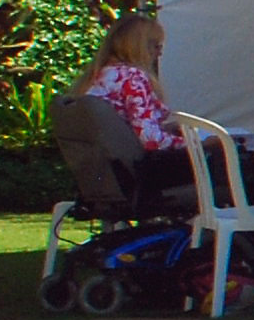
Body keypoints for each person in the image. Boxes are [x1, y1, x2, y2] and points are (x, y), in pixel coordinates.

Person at [77, 15, 193, 204]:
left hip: (112, 173)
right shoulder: (132, 77)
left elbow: (127, 128)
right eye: (156, 46)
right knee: (228, 156)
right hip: (141, 176)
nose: (160, 53)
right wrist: (197, 143)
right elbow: (150, 140)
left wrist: (167, 130)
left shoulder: (100, 76)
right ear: (139, 46)